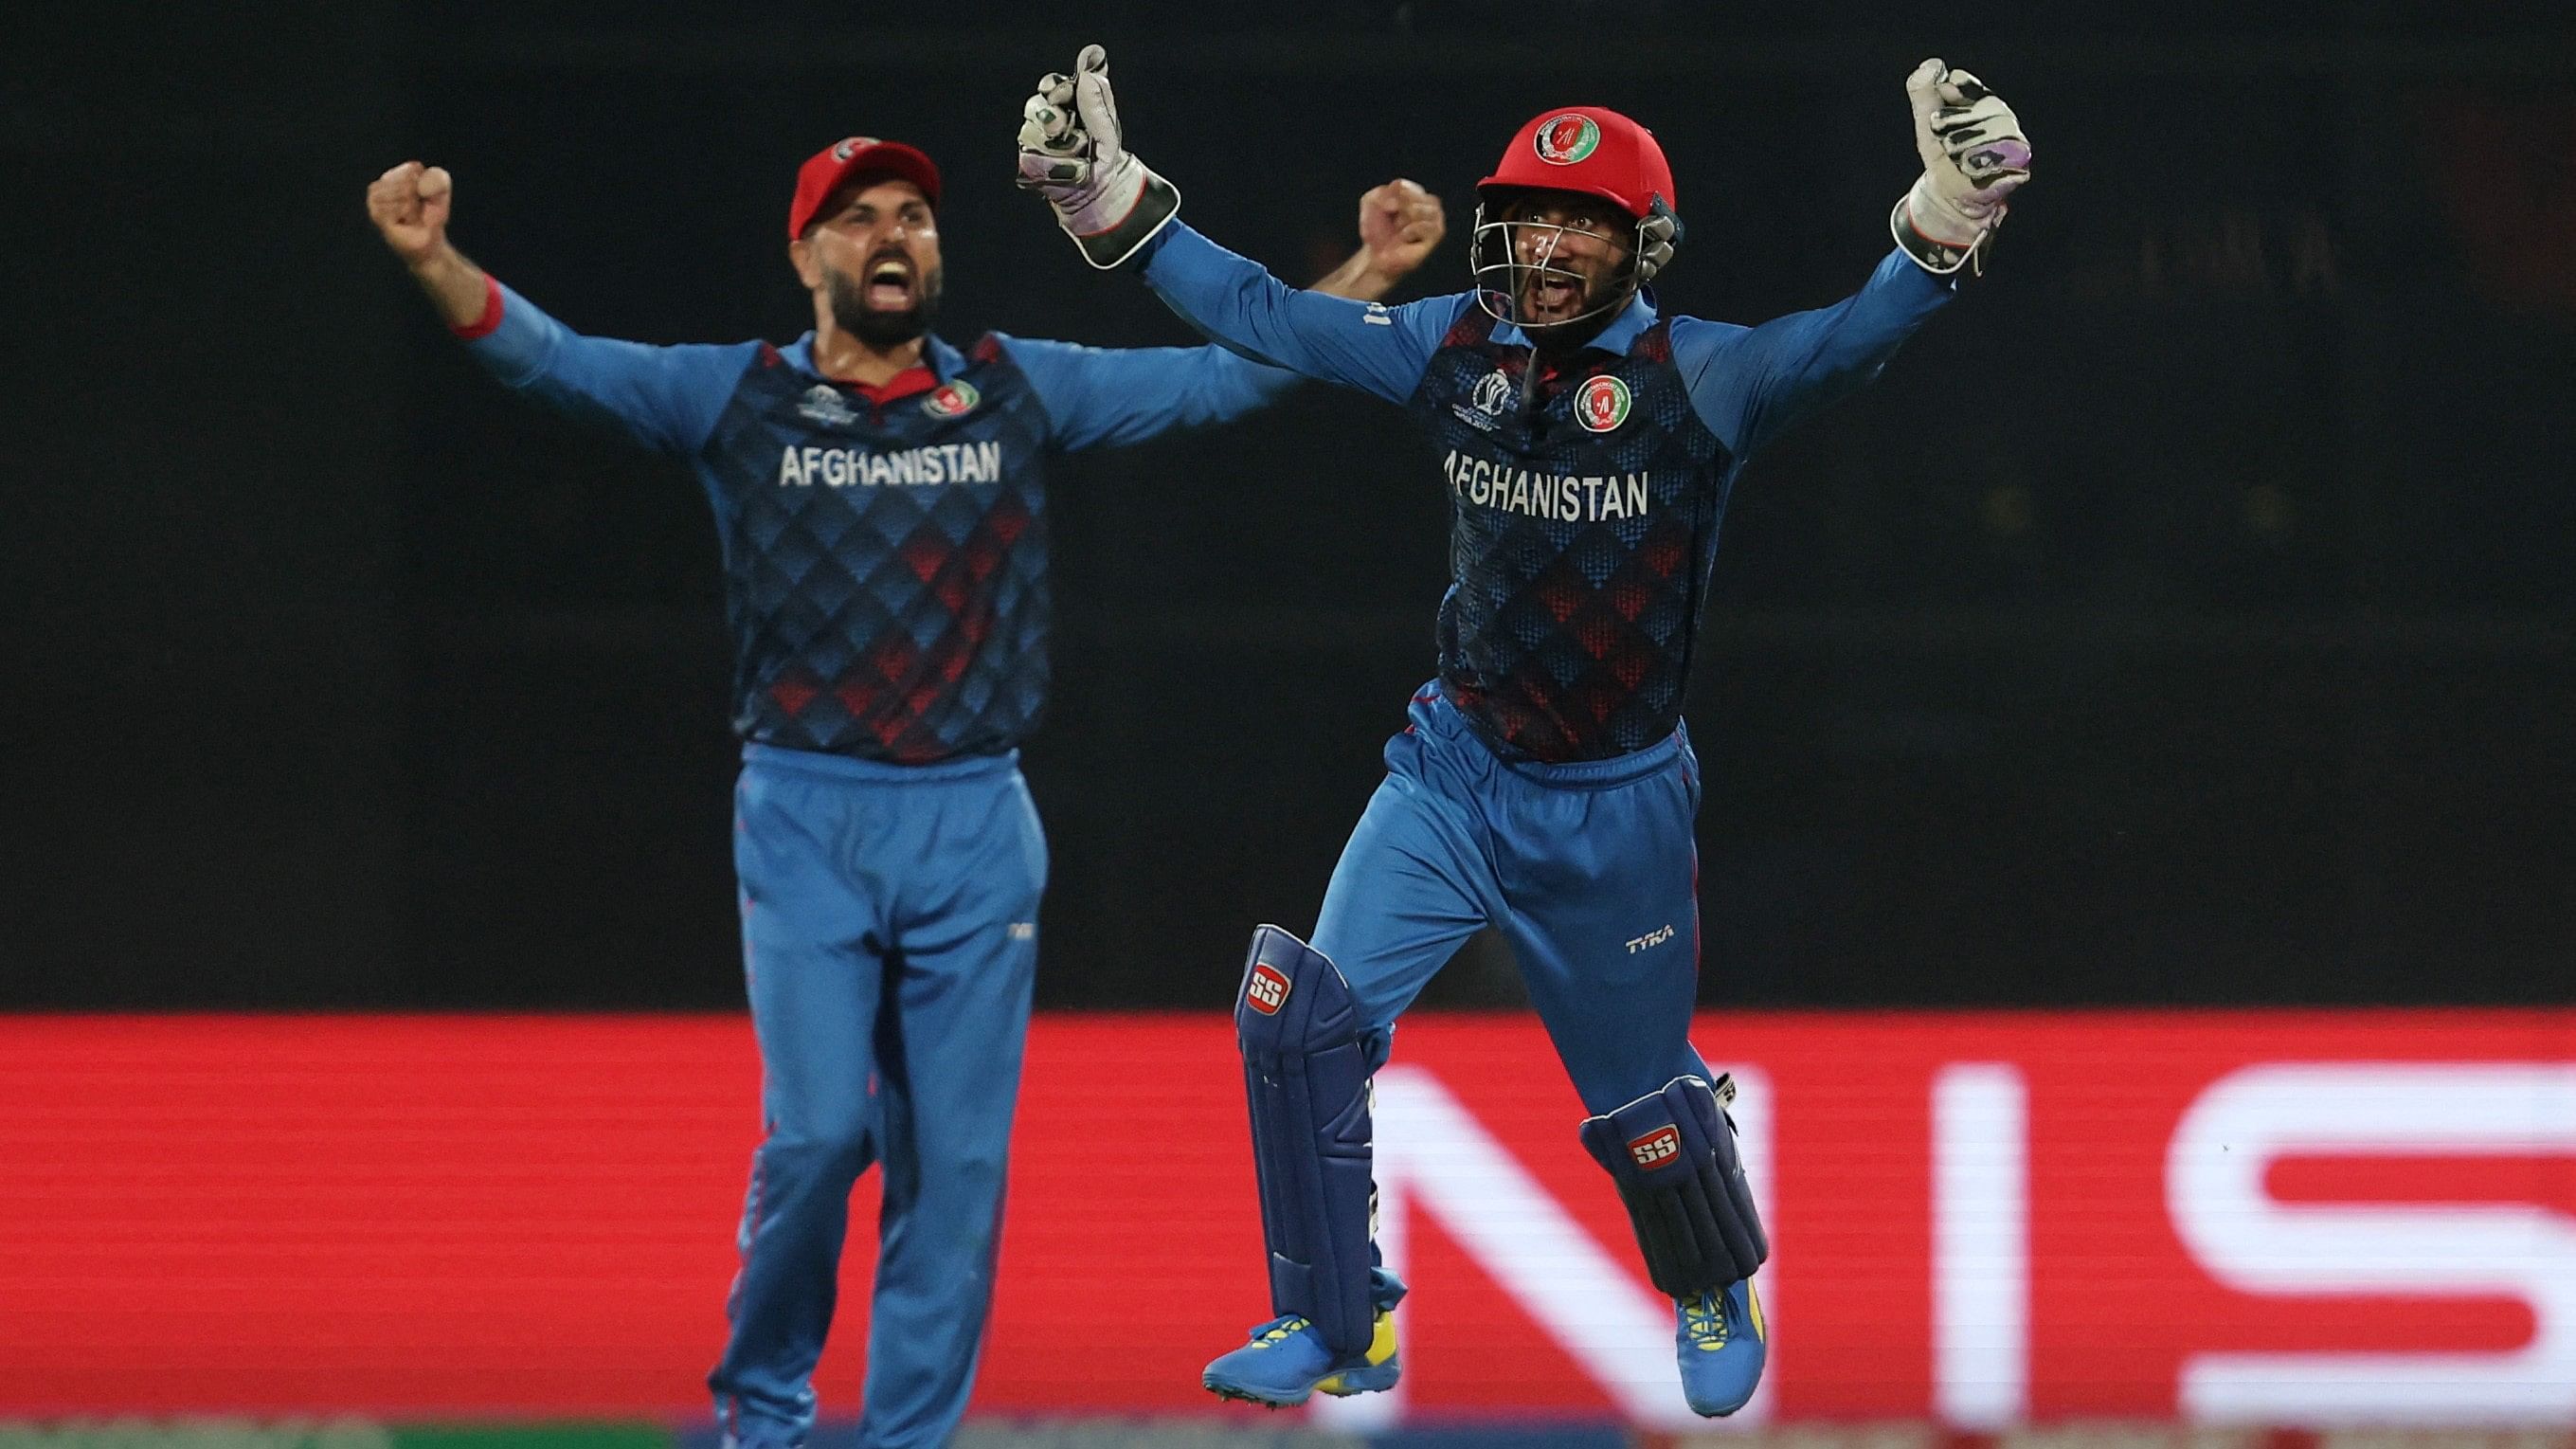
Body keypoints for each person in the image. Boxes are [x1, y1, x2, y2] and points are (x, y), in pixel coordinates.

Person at [367, 136, 1444, 1449]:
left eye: (918, 218)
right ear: (805, 255)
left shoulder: (1010, 388)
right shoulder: (740, 400)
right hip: (806, 816)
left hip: (976, 824)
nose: (896, 237)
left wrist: (1371, 271)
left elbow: (1223, 379)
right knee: (817, 1139)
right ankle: (764, 1415)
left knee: (955, 1179)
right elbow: (557, 360)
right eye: (862, 217)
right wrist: (433, 260)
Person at [1017, 47, 2031, 1419]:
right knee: (1299, 1023)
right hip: (1451, 773)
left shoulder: (1701, 380)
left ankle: (1711, 1277)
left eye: (1581, 224)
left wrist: (1950, 214)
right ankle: (1337, 1318)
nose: (1545, 248)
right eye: (1529, 220)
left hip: (1614, 807)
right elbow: (1262, 313)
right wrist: (1107, 200)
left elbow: (1849, 335)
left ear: (1641, 245)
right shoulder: (1454, 347)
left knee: (1648, 1110)